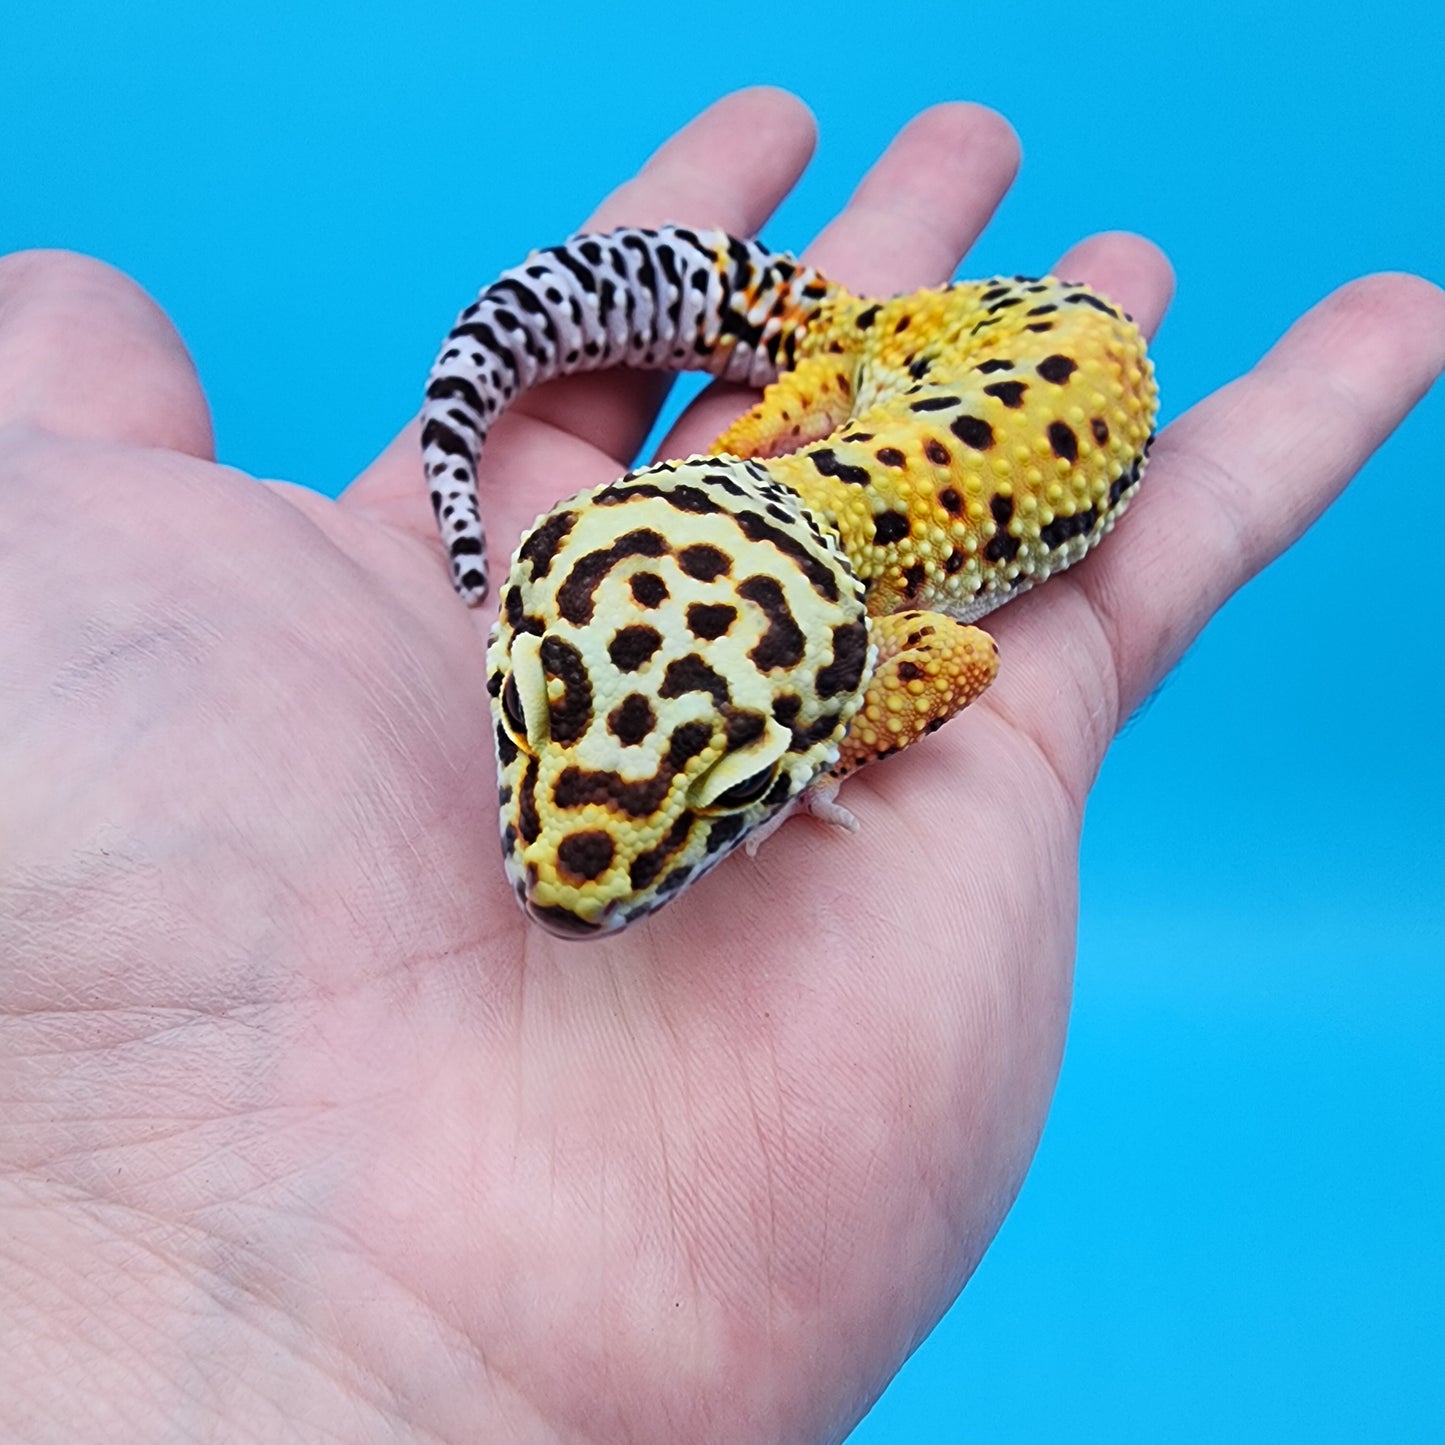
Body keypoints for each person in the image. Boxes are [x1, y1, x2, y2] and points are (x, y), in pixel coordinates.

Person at [1, 87, 1440, 1442]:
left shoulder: (885, 615)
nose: (563, 862)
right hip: (905, 372)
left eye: (707, 803)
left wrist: (825, 740)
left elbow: (962, 659)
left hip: (954, 365)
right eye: (533, 725)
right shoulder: (763, 494)